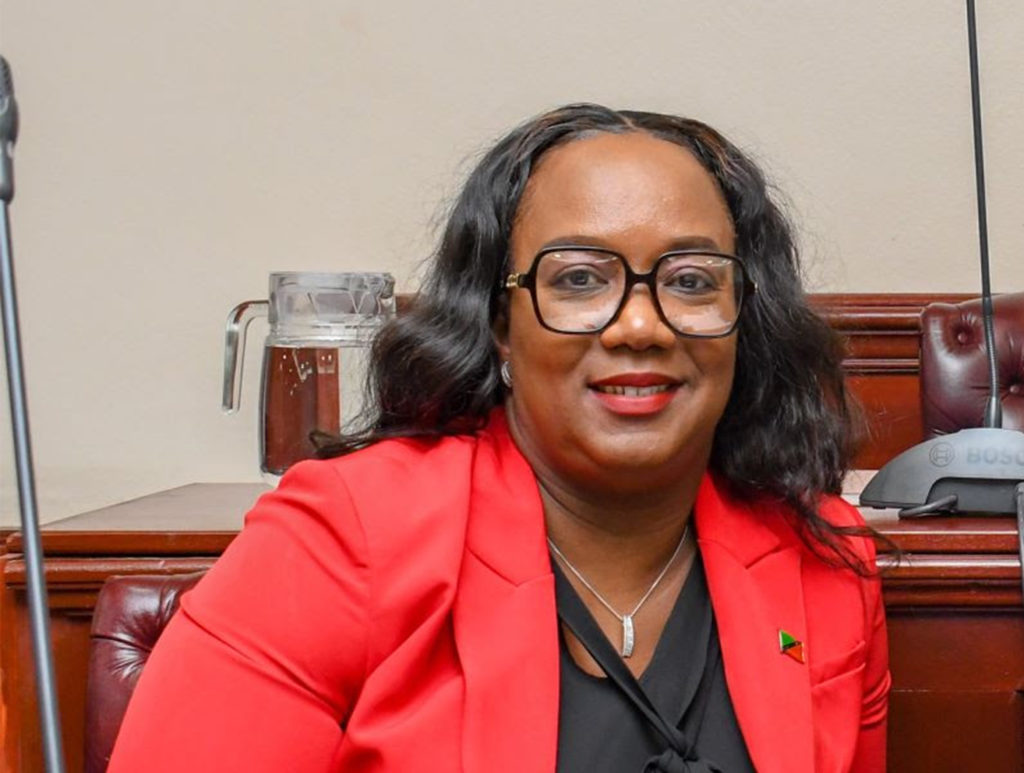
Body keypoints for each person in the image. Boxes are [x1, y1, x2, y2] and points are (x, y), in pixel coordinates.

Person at [110, 104, 889, 772]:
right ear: (499, 326)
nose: (640, 325)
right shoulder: (343, 537)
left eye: (690, 280)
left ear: (746, 318)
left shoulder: (825, 558)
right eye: (579, 279)